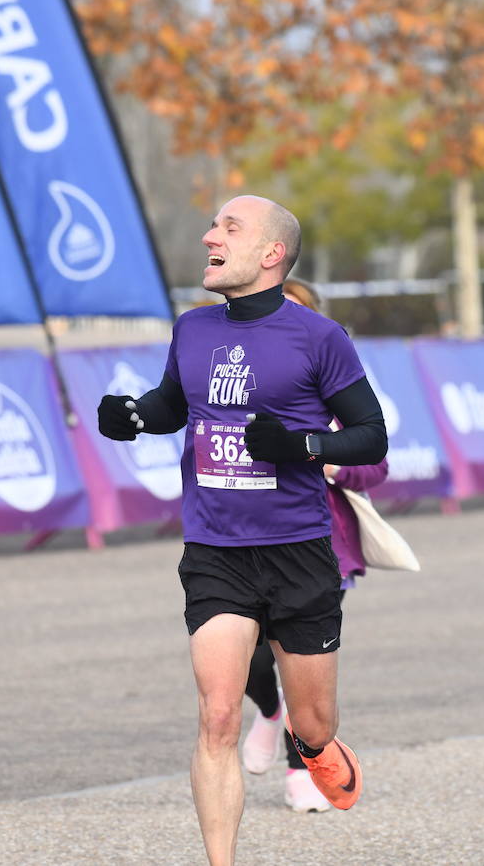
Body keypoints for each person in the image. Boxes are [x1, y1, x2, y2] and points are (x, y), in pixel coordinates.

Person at [96, 195, 387, 865]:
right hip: (216, 548)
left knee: (313, 722)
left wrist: (300, 446)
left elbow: (372, 437)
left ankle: (311, 748)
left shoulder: (319, 338)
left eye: (229, 228)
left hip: (300, 552)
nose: (209, 237)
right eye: (213, 226)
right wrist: (135, 416)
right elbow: (174, 404)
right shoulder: (193, 330)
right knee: (217, 717)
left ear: (271, 254)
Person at [238, 278, 389, 813]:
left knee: (300, 663)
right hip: (243, 540)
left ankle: (301, 769)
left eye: (296, 310)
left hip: (322, 547)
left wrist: (330, 461)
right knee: (251, 660)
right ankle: (272, 711)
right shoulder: (237, 374)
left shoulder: (332, 373)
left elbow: (377, 461)